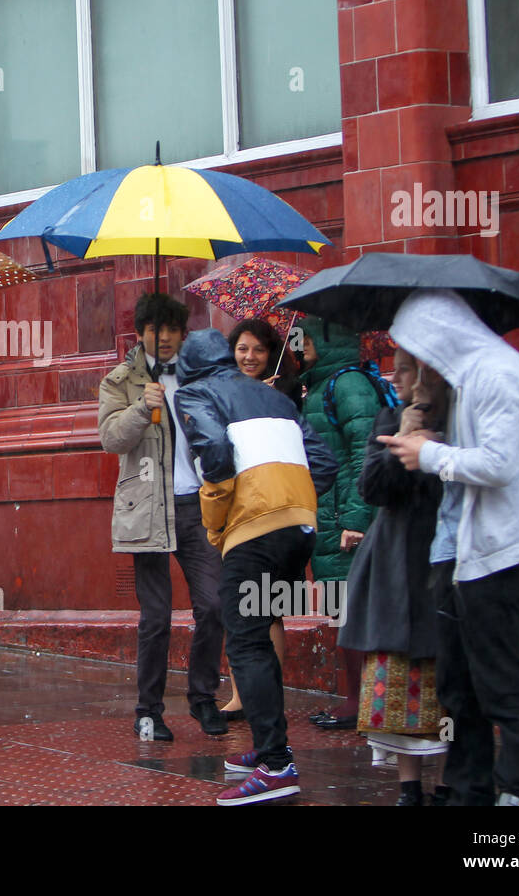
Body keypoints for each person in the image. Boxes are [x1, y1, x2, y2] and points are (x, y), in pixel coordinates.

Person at [379, 289, 519, 806]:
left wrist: (428, 453)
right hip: (460, 556)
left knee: (499, 684)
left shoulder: (497, 371)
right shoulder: (465, 379)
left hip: (498, 554)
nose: (413, 363)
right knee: (459, 688)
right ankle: (470, 791)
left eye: (415, 347)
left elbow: (499, 464)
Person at [176, 328, 337, 806]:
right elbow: (322, 461)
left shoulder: (195, 391)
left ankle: (275, 764)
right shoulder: (272, 395)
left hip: (254, 531)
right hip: (298, 527)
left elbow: (216, 457)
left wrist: (216, 518)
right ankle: (272, 747)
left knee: (245, 640)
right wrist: (294, 503)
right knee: (263, 628)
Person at [98, 293, 227, 740]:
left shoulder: (198, 375)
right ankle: (148, 710)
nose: (165, 338)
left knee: (213, 604)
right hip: (147, 509)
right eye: (156, 330)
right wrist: (141, 407)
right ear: (140, 333)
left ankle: (203, 699)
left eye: (173, 329)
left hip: (197, 505)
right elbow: (111, 439)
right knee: (156, 617)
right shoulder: (119, 380)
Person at [340, 347, 450, 805]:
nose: (396, 376)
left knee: (446, 675)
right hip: (393, 564)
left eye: (406, 368)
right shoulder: (388, 419)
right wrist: (405, 434)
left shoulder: (461, 421)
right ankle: (409, 787)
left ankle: (447, 783)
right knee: (397, 673)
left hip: (444, 562)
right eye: (397, 368)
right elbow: (372, 489)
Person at [294, 317, 383, 730]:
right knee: (341, 608)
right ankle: (359, 699)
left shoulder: (346, 385)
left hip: (344, 519)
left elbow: (365, 452)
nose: (301, 342)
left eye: (309, 336)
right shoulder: (323, 383)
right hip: (328, 514)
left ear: (330, 338)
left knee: (352, 610)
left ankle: (361, 701)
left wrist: (353, 518)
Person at [218, 318, 298, 722]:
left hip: (274, 510)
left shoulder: (285, 392)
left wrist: (269, 402)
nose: (249, 357)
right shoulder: (224, 391)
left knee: (267, 607)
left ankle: (268, 693)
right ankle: (239, 693)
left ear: (271, 355)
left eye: (258, 350)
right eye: (242, 349)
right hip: (236, 507)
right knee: (236, 606)